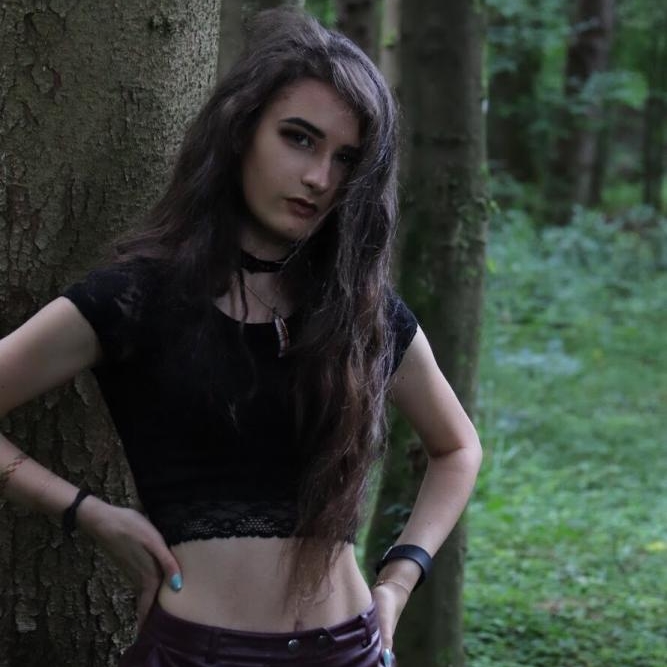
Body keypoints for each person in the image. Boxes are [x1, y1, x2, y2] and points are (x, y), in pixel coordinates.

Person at [0, 8, 482, 667]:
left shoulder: (360, 312)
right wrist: (88, 513)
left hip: (349, 651)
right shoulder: (136, 298)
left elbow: (456, 447)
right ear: (240, 132)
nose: (319, 178)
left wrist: (398, 579)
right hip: (194, 653)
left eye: (346, 159)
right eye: (299, 139)